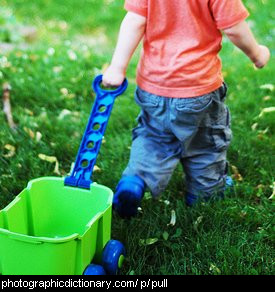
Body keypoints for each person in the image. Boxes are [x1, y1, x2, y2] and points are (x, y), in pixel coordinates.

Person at [102, 0, 270, 218]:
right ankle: (205, 192)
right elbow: (234, 28)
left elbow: (135, 20)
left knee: (154, 136)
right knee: (205, 142)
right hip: (197, 88)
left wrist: (117, 68)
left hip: (154, 86)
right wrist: (257, 54)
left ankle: (136, 180)